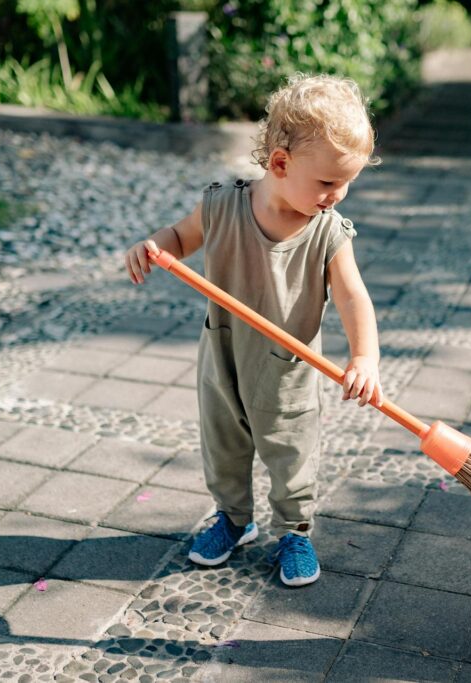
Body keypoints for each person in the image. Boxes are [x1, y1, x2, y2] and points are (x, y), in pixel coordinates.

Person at [124, 73, 383, 587]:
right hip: (222, 357)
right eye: (329, 182)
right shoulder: (222, 204)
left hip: (287, 370)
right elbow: (180, 236)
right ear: (281, 164)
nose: (339, 194)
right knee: (223, 446)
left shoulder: (327, 231)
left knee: (290, 454)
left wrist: (364, 358)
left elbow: (354, 296)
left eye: (346, 182)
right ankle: (233, 519)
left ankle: (294, 531)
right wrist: (153, 248)